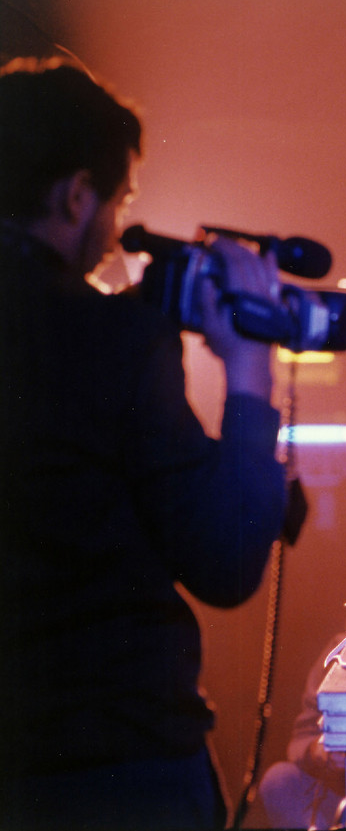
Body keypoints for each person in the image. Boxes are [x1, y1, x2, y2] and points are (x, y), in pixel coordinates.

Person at [0, 58, 287, 828]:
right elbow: (224, 559)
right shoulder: (114, 338)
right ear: (76, 192)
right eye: (121, 197)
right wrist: (251, 370)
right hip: (115, 767)